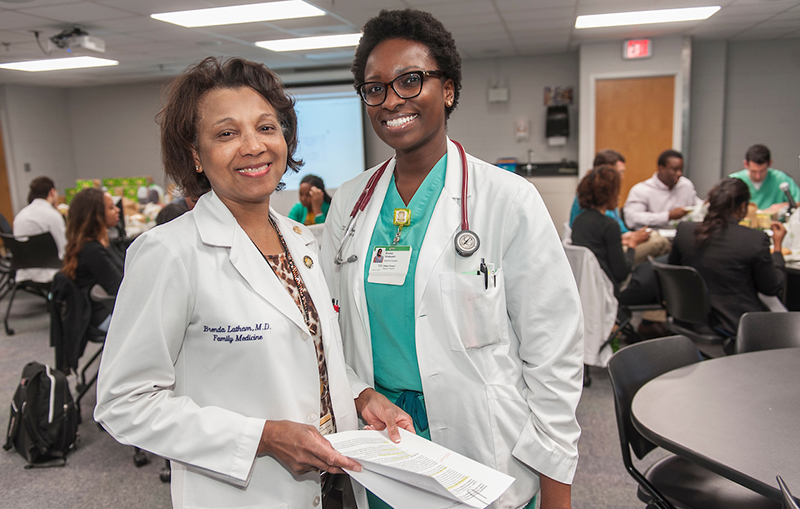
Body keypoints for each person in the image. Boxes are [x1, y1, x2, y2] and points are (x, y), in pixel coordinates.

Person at [94, 57, 411, 509]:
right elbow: (124, 403)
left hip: (336, 486)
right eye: (226, 134)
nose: (253, 146)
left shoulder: (301, 239)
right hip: (246, 493)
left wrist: (360, 394)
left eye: (266, 127)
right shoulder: (169, 253)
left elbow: (314, 353)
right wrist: (261, 438)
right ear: (195, 155)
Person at [320, 10, 583, 509]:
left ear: (449, 89)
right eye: (374, 88)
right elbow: (332, 332)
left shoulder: (508, 199)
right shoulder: (350, 203)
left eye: (410, 80)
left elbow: (553, 350)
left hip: (484, 444)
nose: (391, 99)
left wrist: (557, 488)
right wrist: (355, 392)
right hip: (384, 442)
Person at [669, 177, 786, 337]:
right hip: (737, 325)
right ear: (743, 207)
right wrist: (777, 248)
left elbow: (674, 270)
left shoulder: (685, 231)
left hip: (690, 320)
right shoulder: (754, 240)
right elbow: (772, 288)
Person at [572, 166, 659, 308]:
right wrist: (632, 244)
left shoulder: (579, 221)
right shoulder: (609, 225)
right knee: (654, 267)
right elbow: (621, 273)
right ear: (609, 194)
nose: (619, 197)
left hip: (587, 288)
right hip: (609, 290)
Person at [569, 150, 667, 264]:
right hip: (608, 260)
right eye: (619, 173)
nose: (622, 178)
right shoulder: (603, 219)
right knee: (660, 243)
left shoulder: (587, 214)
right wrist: (632, 242)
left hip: (605, 252)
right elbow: (620, 271)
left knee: (655, 237)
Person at [61, 188, 123, 331]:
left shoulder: (92, 244)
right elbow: (119, 288)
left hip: (104, 310)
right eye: (111, 207)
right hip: (104, 315)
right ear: (97, 215)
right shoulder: (92, 251)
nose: (117, 210)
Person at [623, 149, 702, 230]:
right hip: (654, 235)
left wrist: (705, 206)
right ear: (661, 168)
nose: (679, 174)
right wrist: (668, 216)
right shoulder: (642, 190)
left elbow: (696, 204)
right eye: (675, 170)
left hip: (682, 233)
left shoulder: (686, 185)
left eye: (681, 170)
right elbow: (632, 219)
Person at [12, 176, 67, 283]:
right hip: (51, 271)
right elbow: (63, 249)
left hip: (24, 271)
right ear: (52, 192)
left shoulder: (20, 215)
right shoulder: (52, 215)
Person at [729, 144, 800, 213]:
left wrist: (786, 205)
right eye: (754, 171)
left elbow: (798, 201)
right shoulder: (734, 180)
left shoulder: (781, 178)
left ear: (770, 163)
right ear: (746, 164)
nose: (758, 176)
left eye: (762, 171)